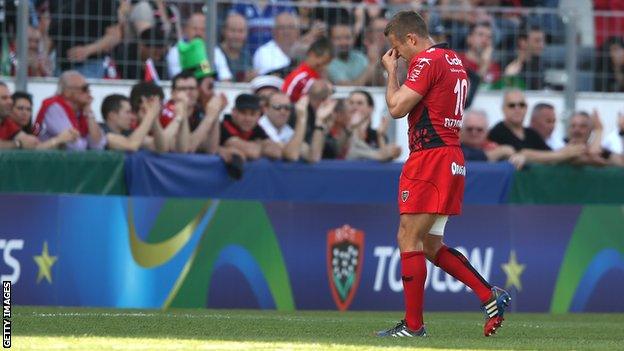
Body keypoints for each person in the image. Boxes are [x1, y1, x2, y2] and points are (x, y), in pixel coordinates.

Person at [378, 10, 511, 338]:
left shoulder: (425, 60)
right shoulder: (454, 60)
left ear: (412, 38)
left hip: (429, 158)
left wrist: (390, 73)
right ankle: (487, 294)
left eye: (399, 49)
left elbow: (396, 108)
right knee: (430, 245)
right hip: (451, 157)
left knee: (407, 238)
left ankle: (413, 326)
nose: (400, 57)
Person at [33, 71, 105, 150]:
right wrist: (88, 144)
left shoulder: (81, 111)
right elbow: (75, 146)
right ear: (67, 92)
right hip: (45, 158)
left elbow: (98, 145)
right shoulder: (54, 107)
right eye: (84, 88)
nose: (89, 92)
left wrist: (90, 113)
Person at [100, 93, 166, 152]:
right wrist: (150, 114)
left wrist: (154, 120)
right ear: (112, 115)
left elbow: (161, 148)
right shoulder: (101, 133)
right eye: (127, 112)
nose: (131, 117)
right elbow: (131, 145)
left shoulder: (128, 132)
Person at [282, 37, 333, 103]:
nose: (323, 67)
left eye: (327, 63)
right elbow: (285, 98)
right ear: (312, 54)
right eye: (323, 62)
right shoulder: (300, 76)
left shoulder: (318, 76)